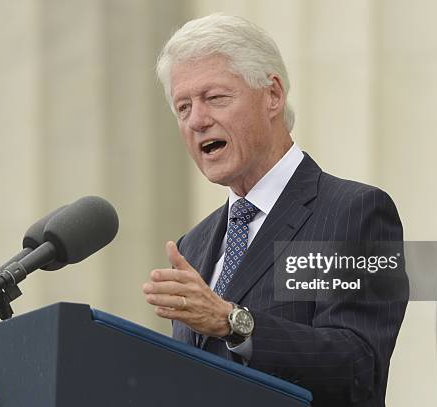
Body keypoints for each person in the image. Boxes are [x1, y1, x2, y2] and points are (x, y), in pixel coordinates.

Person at [142, 13, 407, 406]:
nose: (197, 120)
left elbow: (359, 365)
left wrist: (233, 323)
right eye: (183, 107)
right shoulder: (193, 246)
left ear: (273, 95)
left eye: (215, 98)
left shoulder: (352, 213)